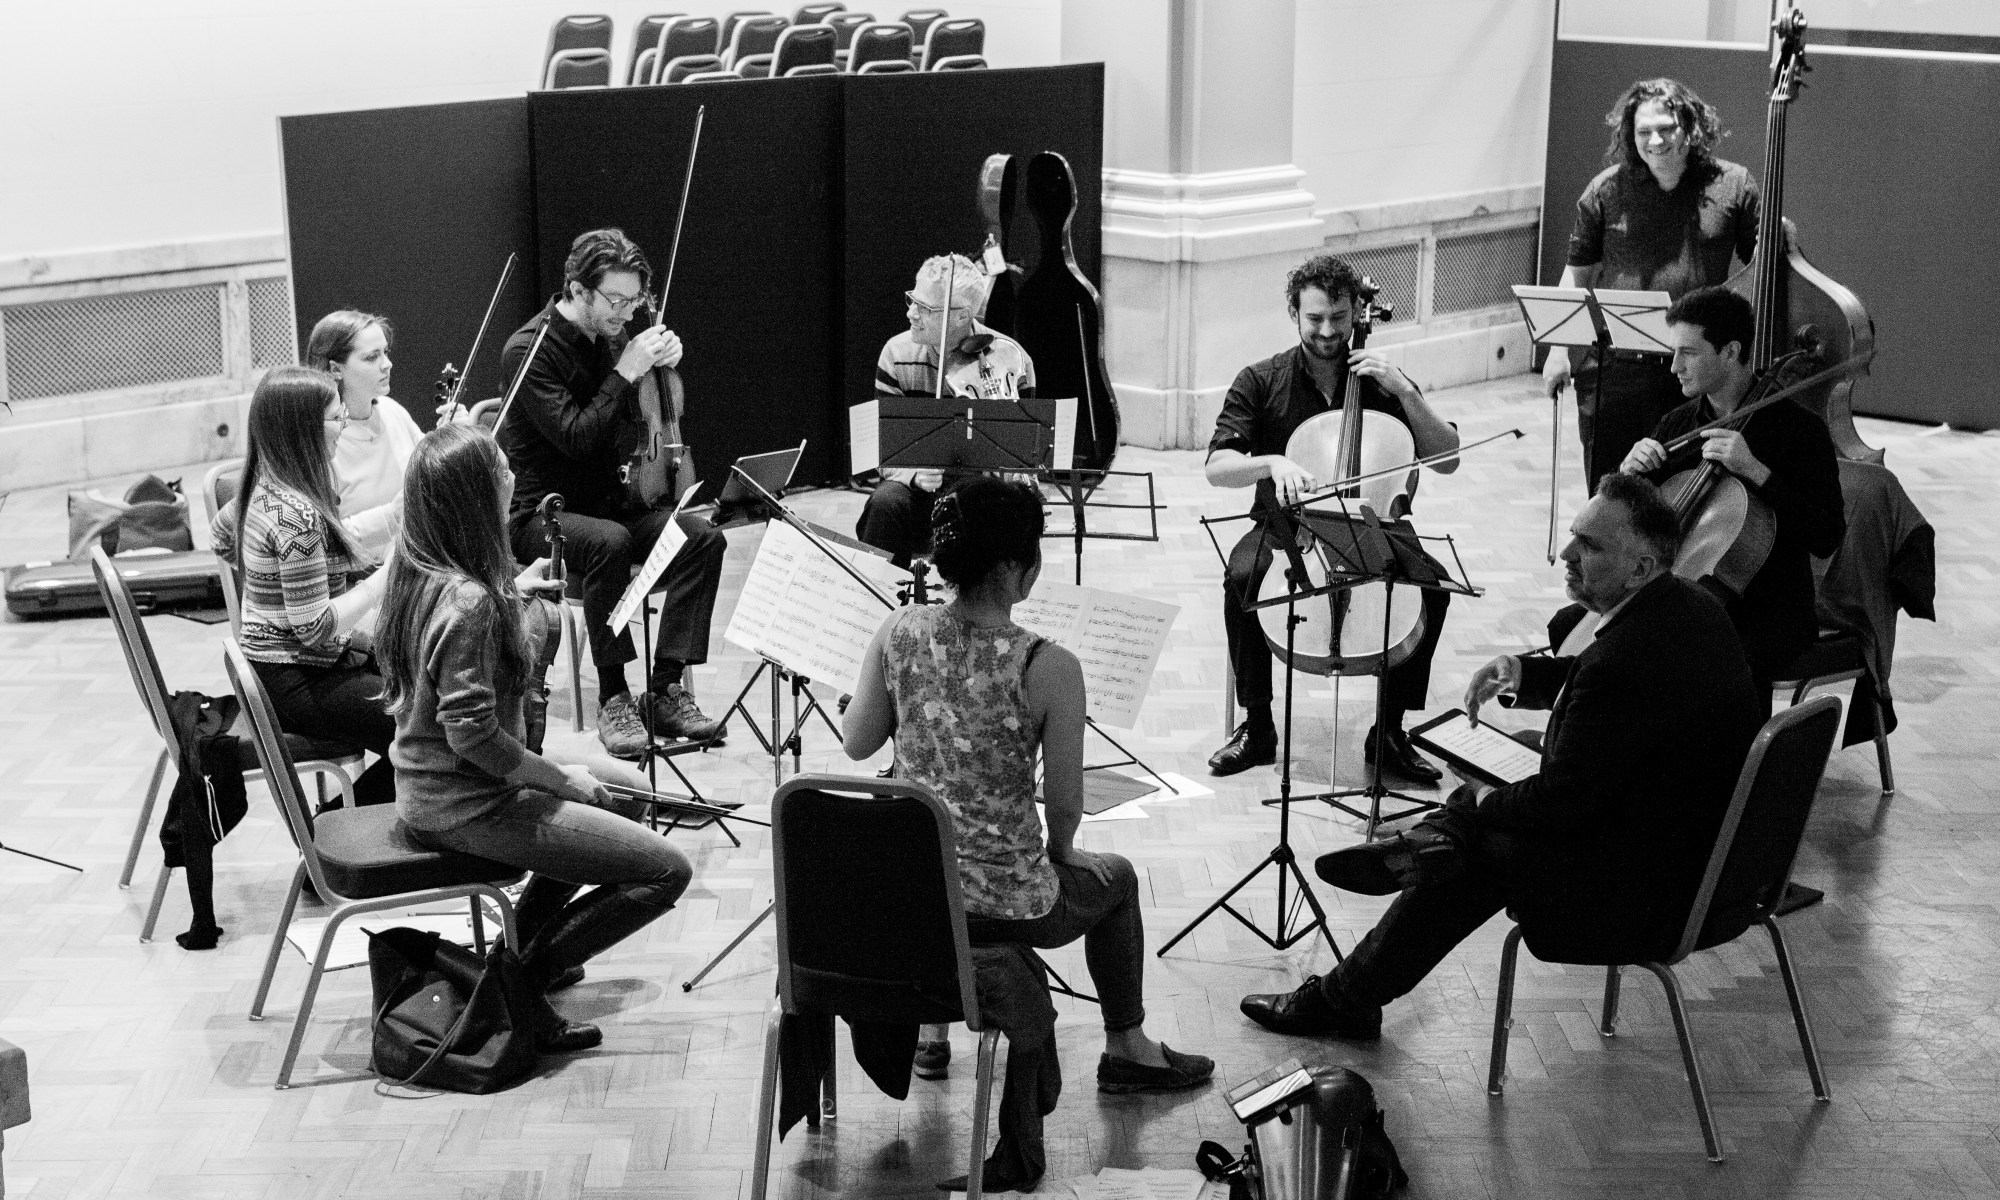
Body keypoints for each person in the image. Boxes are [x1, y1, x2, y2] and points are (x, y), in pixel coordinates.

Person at [1239, 474, 1764, 1040]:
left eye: (1589, 545)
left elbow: (1561, 800)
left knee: (1480, 849)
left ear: (1639, 568)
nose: (1567, 553)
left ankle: (1351, 985)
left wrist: (1486, 798)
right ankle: (1429, 850)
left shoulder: (1623, 660)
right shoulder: (1689, 609)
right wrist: (1524, 673)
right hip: (1709, 858)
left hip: (1652, 893)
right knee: (1491, 802)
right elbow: (1611, 694)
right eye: (1574, 535)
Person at [843, 479, 1213, 1120]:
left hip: (914, 895)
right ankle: (1126, 1046)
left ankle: (932, 1031)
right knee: (1118, 879)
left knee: (930, 836)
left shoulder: (898, 630)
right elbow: (1064, 802)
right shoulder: (1050, 665)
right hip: (1006, 906)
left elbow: (857, 744)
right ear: (1015, 568)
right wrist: (1064, 849)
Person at [377, 423, 694, 1053]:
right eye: (501, 470)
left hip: (437, 784)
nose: (513, 477)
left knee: (629, 793)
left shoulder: (423, 571)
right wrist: (559, 780)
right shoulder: (468, 602)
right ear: (477, 497)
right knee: (668, 870)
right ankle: (513, 986)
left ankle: (521, 954)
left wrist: (514, 592)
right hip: (467, 801)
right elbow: (474, 739)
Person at [1206, 253, 1461, 781]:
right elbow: (1217, 467)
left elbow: (1448, 459)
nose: (1327, 331)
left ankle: (1389, 730)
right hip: (1288, 527)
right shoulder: (1261, 379)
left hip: (1374, 521)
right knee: (1243, 577)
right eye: (1315, 318)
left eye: (1339, 318)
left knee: (1431, 585)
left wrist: (1405, 392)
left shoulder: (1384, 382)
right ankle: (1258, 726)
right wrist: (1272, 463)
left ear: (1355, 314)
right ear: (1294, 314)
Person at [497, 227, 727, 759]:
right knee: (608, 543)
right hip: (541, 516)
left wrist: (663, 364)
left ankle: (665, 688)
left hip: (612, 503)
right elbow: (576, 438)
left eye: (634, 301)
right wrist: (625, 372)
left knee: (701, 537)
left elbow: (638, 413)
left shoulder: (615, 338)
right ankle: (614, 696)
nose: (627, 313)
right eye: (616, 301)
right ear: (578, 290)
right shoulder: (527, 352)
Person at [1620, 285, 1846, 692]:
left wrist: (1756, 472)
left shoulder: (1799, 430)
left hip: (1768, 609)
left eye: (1688, 353)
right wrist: (1628, 475)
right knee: (1576, 627)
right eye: (1674, 352)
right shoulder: (1677, 424)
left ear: (1730, 351)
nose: (1674, 367)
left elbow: (1826, 536)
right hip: (1679, 593)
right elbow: (1626, 522)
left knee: (1702, 658)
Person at [1545, 78, 1761, 491]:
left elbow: (1762, 269)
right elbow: (1577, 275)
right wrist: (1558, 351)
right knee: (1610, 492)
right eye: (1644, 131)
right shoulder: (1606, 189)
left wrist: (1780, 240)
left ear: (1690, 128)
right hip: (1615, 369)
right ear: (1630, 135)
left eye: (1666, 128)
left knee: (1683, 492)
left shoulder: (1734, 184)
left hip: (1692, 370)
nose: (1655, 140)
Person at [210, 366, 396, 807]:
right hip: (297, 679)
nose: (344, 425)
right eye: (335, 417)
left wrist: (272, 583)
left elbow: (220, 536)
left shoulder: (264, 483)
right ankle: (328, 831)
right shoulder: (297, 515)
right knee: (426, 733)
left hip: (276, 668)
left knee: (421, 702)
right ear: (302, 431)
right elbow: (314, 628)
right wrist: (387, 577)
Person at [854, 253, 1037, 568]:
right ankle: (880, 591)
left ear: (962, 316)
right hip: (920, 494)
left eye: (925, 308)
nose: (911, 313)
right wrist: (913, 475)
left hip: (981, 495)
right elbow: (882, 451)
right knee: (885, 503)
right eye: (912, 300)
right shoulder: (896, 354)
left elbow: (1026, 452)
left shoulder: (1011, 358)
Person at [308, 310, 423, 560]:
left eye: (385, 352)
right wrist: (391, 516)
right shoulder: (322, 439)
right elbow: (320, 539)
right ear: (335, 369)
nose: (387, 364)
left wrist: (454, 437)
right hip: (358, 574)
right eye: (372, 357)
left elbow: (432, 474)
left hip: (412, 563)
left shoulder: (393, 411)